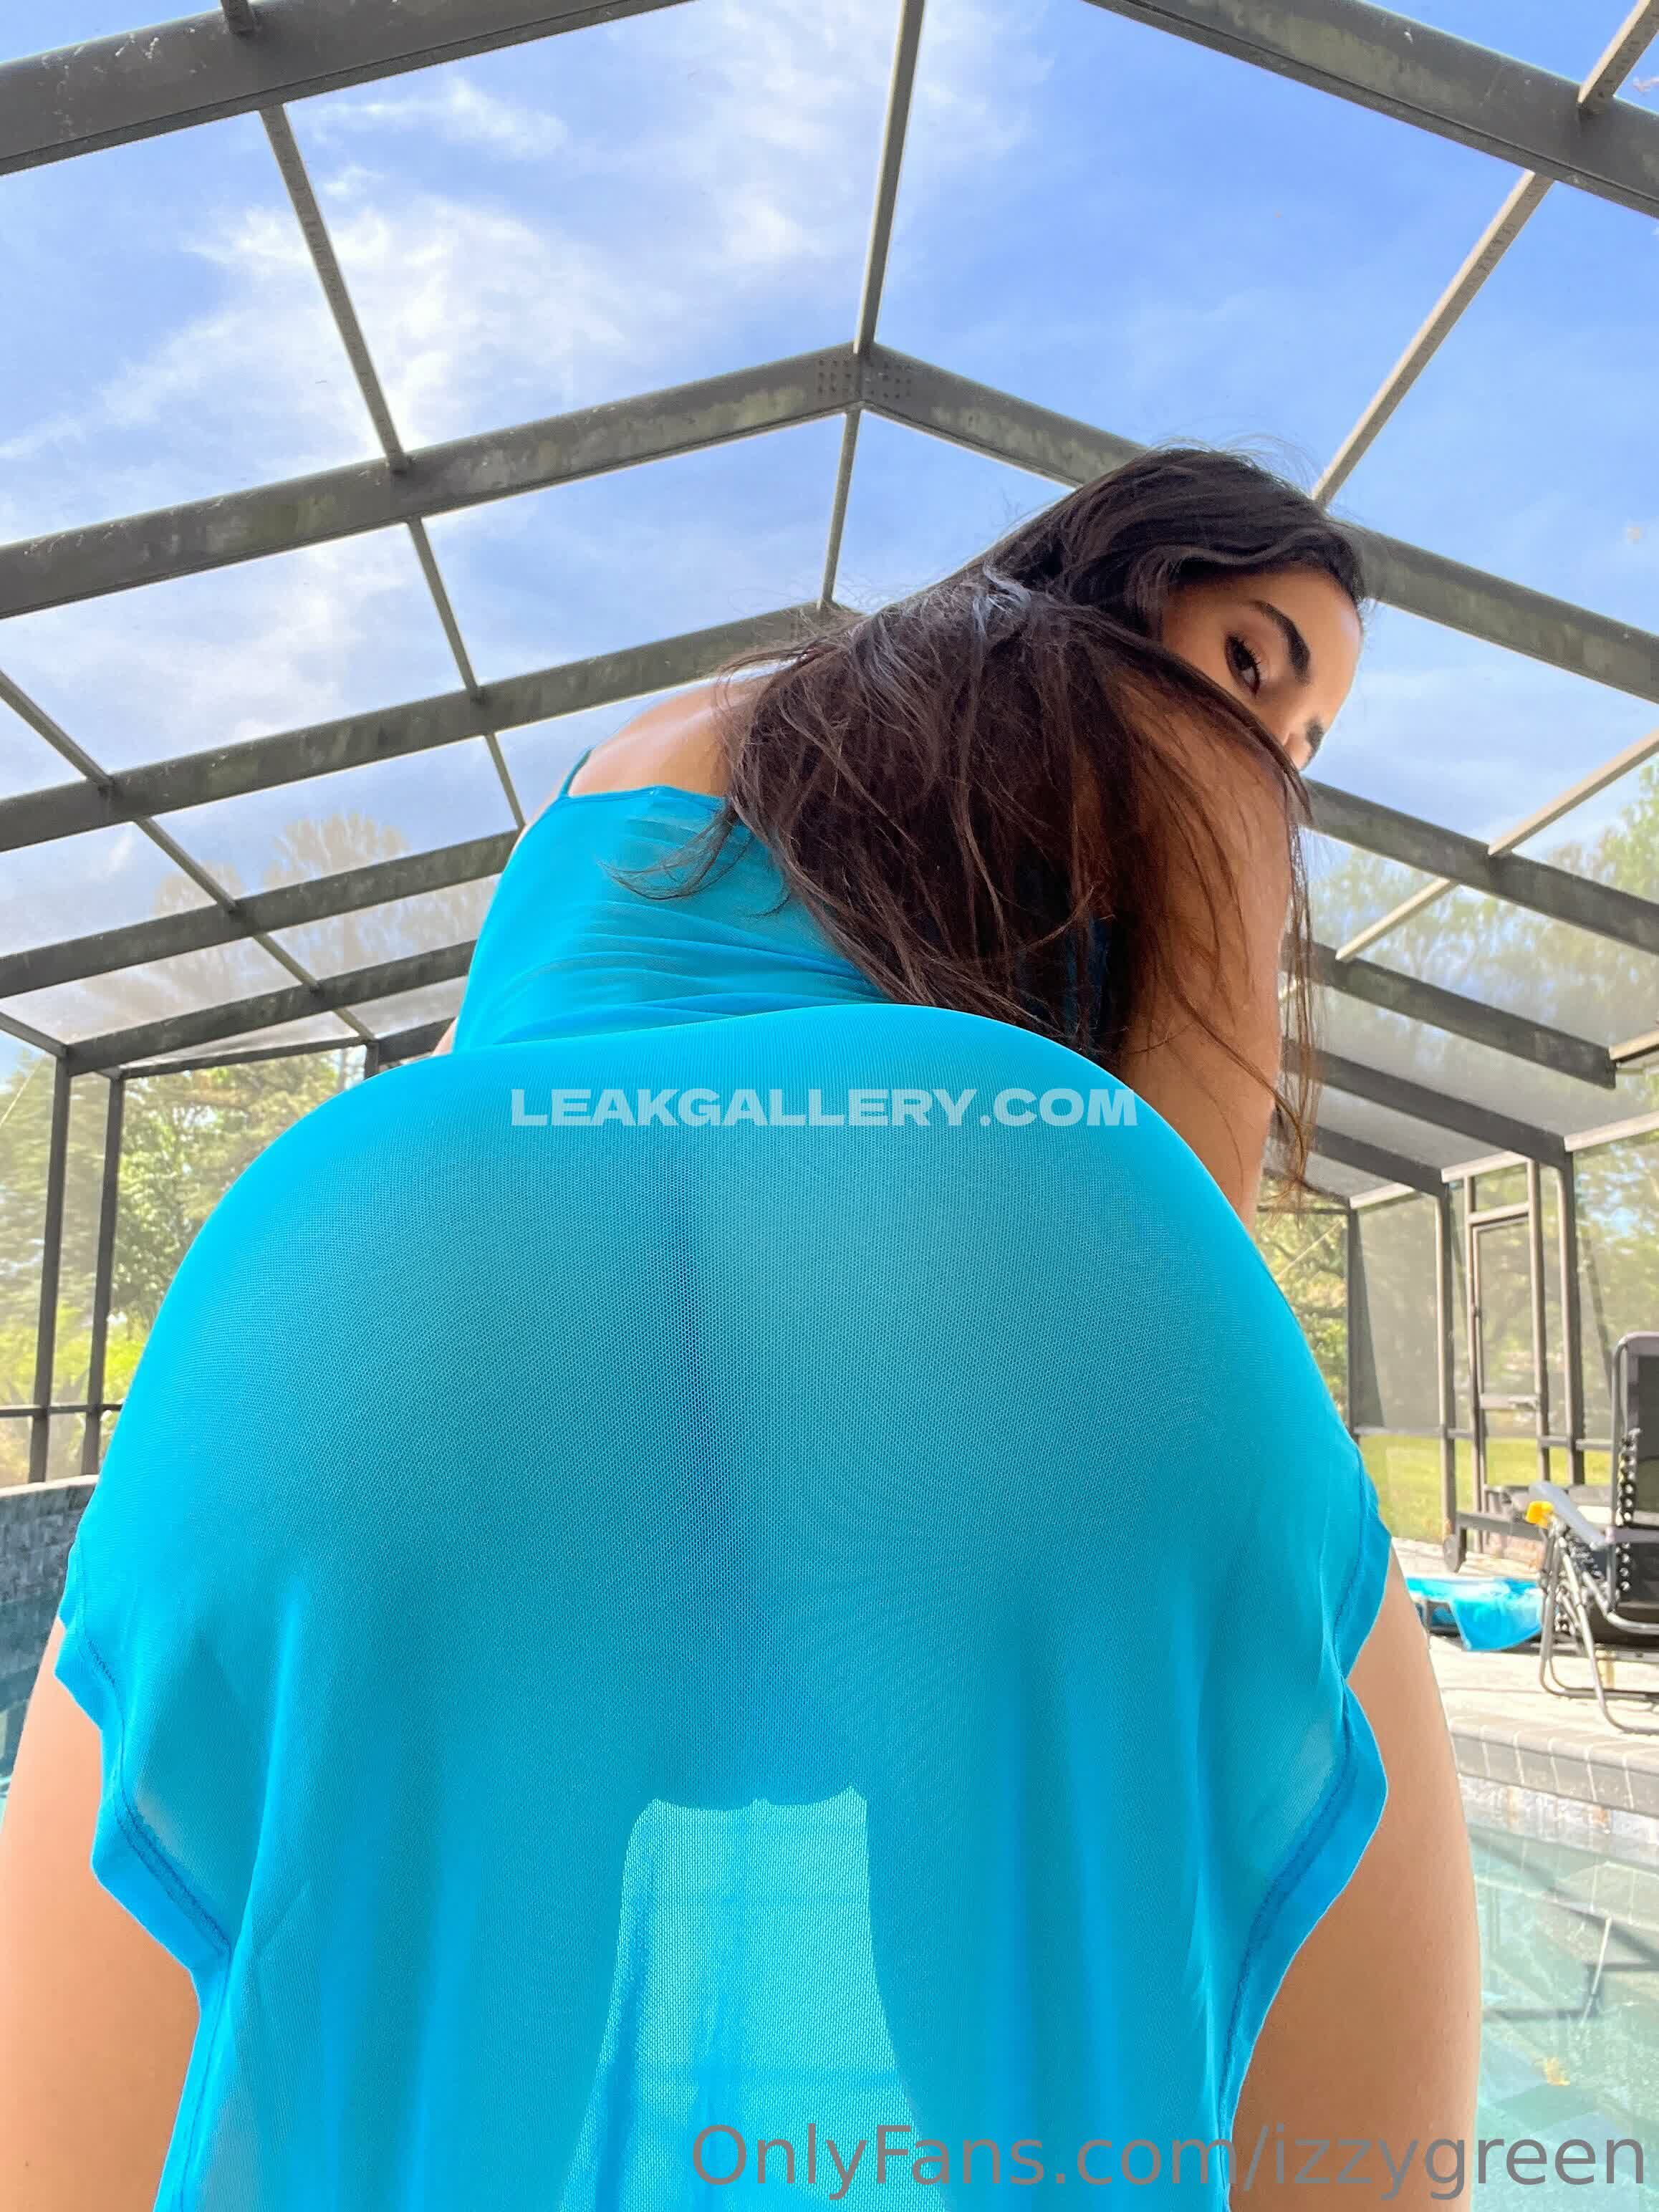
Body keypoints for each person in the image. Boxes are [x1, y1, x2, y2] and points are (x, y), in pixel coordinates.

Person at [0, 448, 1478, 2209]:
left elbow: (508, 1059)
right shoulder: (1171, 749)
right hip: (978, 1253)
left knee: (421, 2015)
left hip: (389, 1247)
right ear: (1131, 572)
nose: (1271, 745)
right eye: (1256, 662)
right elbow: (1186, 1188)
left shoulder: (644, 742)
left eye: (1303, 733)